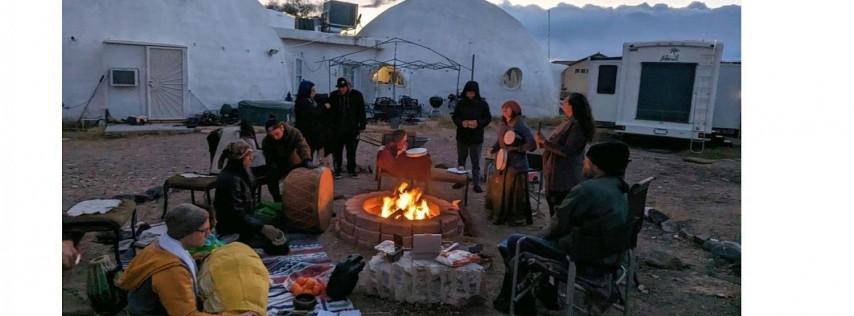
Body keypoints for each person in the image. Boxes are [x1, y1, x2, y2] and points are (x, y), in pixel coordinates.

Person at [492, 142, 633, 316]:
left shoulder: (587, 190)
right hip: (610, 257)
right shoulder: (620, 187)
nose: (583, 164)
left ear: (597, 165)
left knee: (515, 242)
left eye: (587, 161)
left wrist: (539, 238)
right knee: (536, 242)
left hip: (581, 259)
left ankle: (520, 303)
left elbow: (557, 226)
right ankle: (543, 293)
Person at [117, 204, 257, 316]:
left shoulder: (157, 246)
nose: (209, 234)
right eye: (204, 230)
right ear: (187, 232)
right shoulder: (172, 270)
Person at [214, 141, 286, 251]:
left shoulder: (241, 172)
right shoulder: (231, 180)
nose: (252, 158)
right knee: (277, 244)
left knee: (280, 221)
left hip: (247, 219)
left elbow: (258, 176)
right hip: (233, 227)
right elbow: (236, 214)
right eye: (249, 156)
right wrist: (261, 227)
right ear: (240, 159)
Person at [535, 92, 596, 217]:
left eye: (565, 103)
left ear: (572, 106)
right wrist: (544, 142)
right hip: (555, 174)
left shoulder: (578, 126)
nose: (562, 105)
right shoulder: (567, 122)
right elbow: (556, 144)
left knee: (561, 211)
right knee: (554, 208)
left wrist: (545, 143)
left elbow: (567, 150)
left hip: (565, 177)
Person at [485, 100, 535, 226]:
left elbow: (531, 143)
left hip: (516, 164)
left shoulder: (520, 125)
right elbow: (500, 141)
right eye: (503, 108)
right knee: (499, 189)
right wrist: (493, 148)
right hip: (502, 161)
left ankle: (515, 218)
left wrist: (517, 149)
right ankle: (499, 215)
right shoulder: (503, 124)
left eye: (508, 108)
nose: (504, 110)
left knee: (511, 191)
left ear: (515, 110)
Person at [451, 81, 491, 193]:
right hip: (462, 137)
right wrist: (461, 123)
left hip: (476, 138)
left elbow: (487, 118)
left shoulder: (482, 104)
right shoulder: (460, 103)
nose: (470, 95)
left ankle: (476, 183)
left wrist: (478, 123)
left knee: (476, 162)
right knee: (461, 161)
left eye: (472, 93)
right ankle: (460, 180)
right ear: (465, 92)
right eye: (468, 93)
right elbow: (455, 117)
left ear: (476, 92)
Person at [261, 121, 313, 202]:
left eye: (276, 134)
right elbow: (268, 157)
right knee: (271, 176)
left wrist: (307, 159)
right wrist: (272, 165)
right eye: (272, 135)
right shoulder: (266, 141)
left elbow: (302, 145)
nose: (275, 137)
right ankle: (277, 199)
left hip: (293, 161)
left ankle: (307, 199)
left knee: (305, 175)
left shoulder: (294, 132)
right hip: (278, 163)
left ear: (282, 128)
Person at [328, 77, 367, 178]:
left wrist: (362, 125)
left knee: (351, 151)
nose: (342, 90)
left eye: (344, 87)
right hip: (337, 129)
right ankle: (337, 170)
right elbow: (330, 111)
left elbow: (362, 111)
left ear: (348, 86)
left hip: (352, 129)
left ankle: (351, 170)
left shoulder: (357, 95)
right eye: (340, 88)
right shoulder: (333, 96)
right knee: (337, 151)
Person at [294, 80, 331, 158]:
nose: (314, 92)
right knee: (307, 154)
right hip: (307, 134)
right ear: (307, 91)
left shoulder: (309, 100)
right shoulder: (303, 102)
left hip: (312, 134)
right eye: (312, 90)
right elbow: (314, 113)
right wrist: (324, 107)